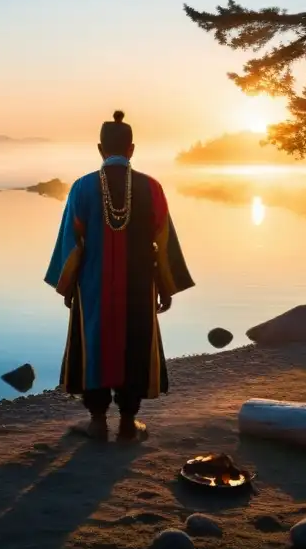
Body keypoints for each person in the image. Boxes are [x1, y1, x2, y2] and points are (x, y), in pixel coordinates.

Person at [44, 110, 194, 441]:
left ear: (100, 148)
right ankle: (128, 423)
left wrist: (67, 285)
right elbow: (165, 239)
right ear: (131, 149)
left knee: (93, 342)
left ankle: (97, 421)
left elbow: (71, 243)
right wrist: (166, 286)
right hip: (139, 284)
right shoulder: (151, 188)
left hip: (92, 284)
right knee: (135, 343)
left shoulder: (82, 188)